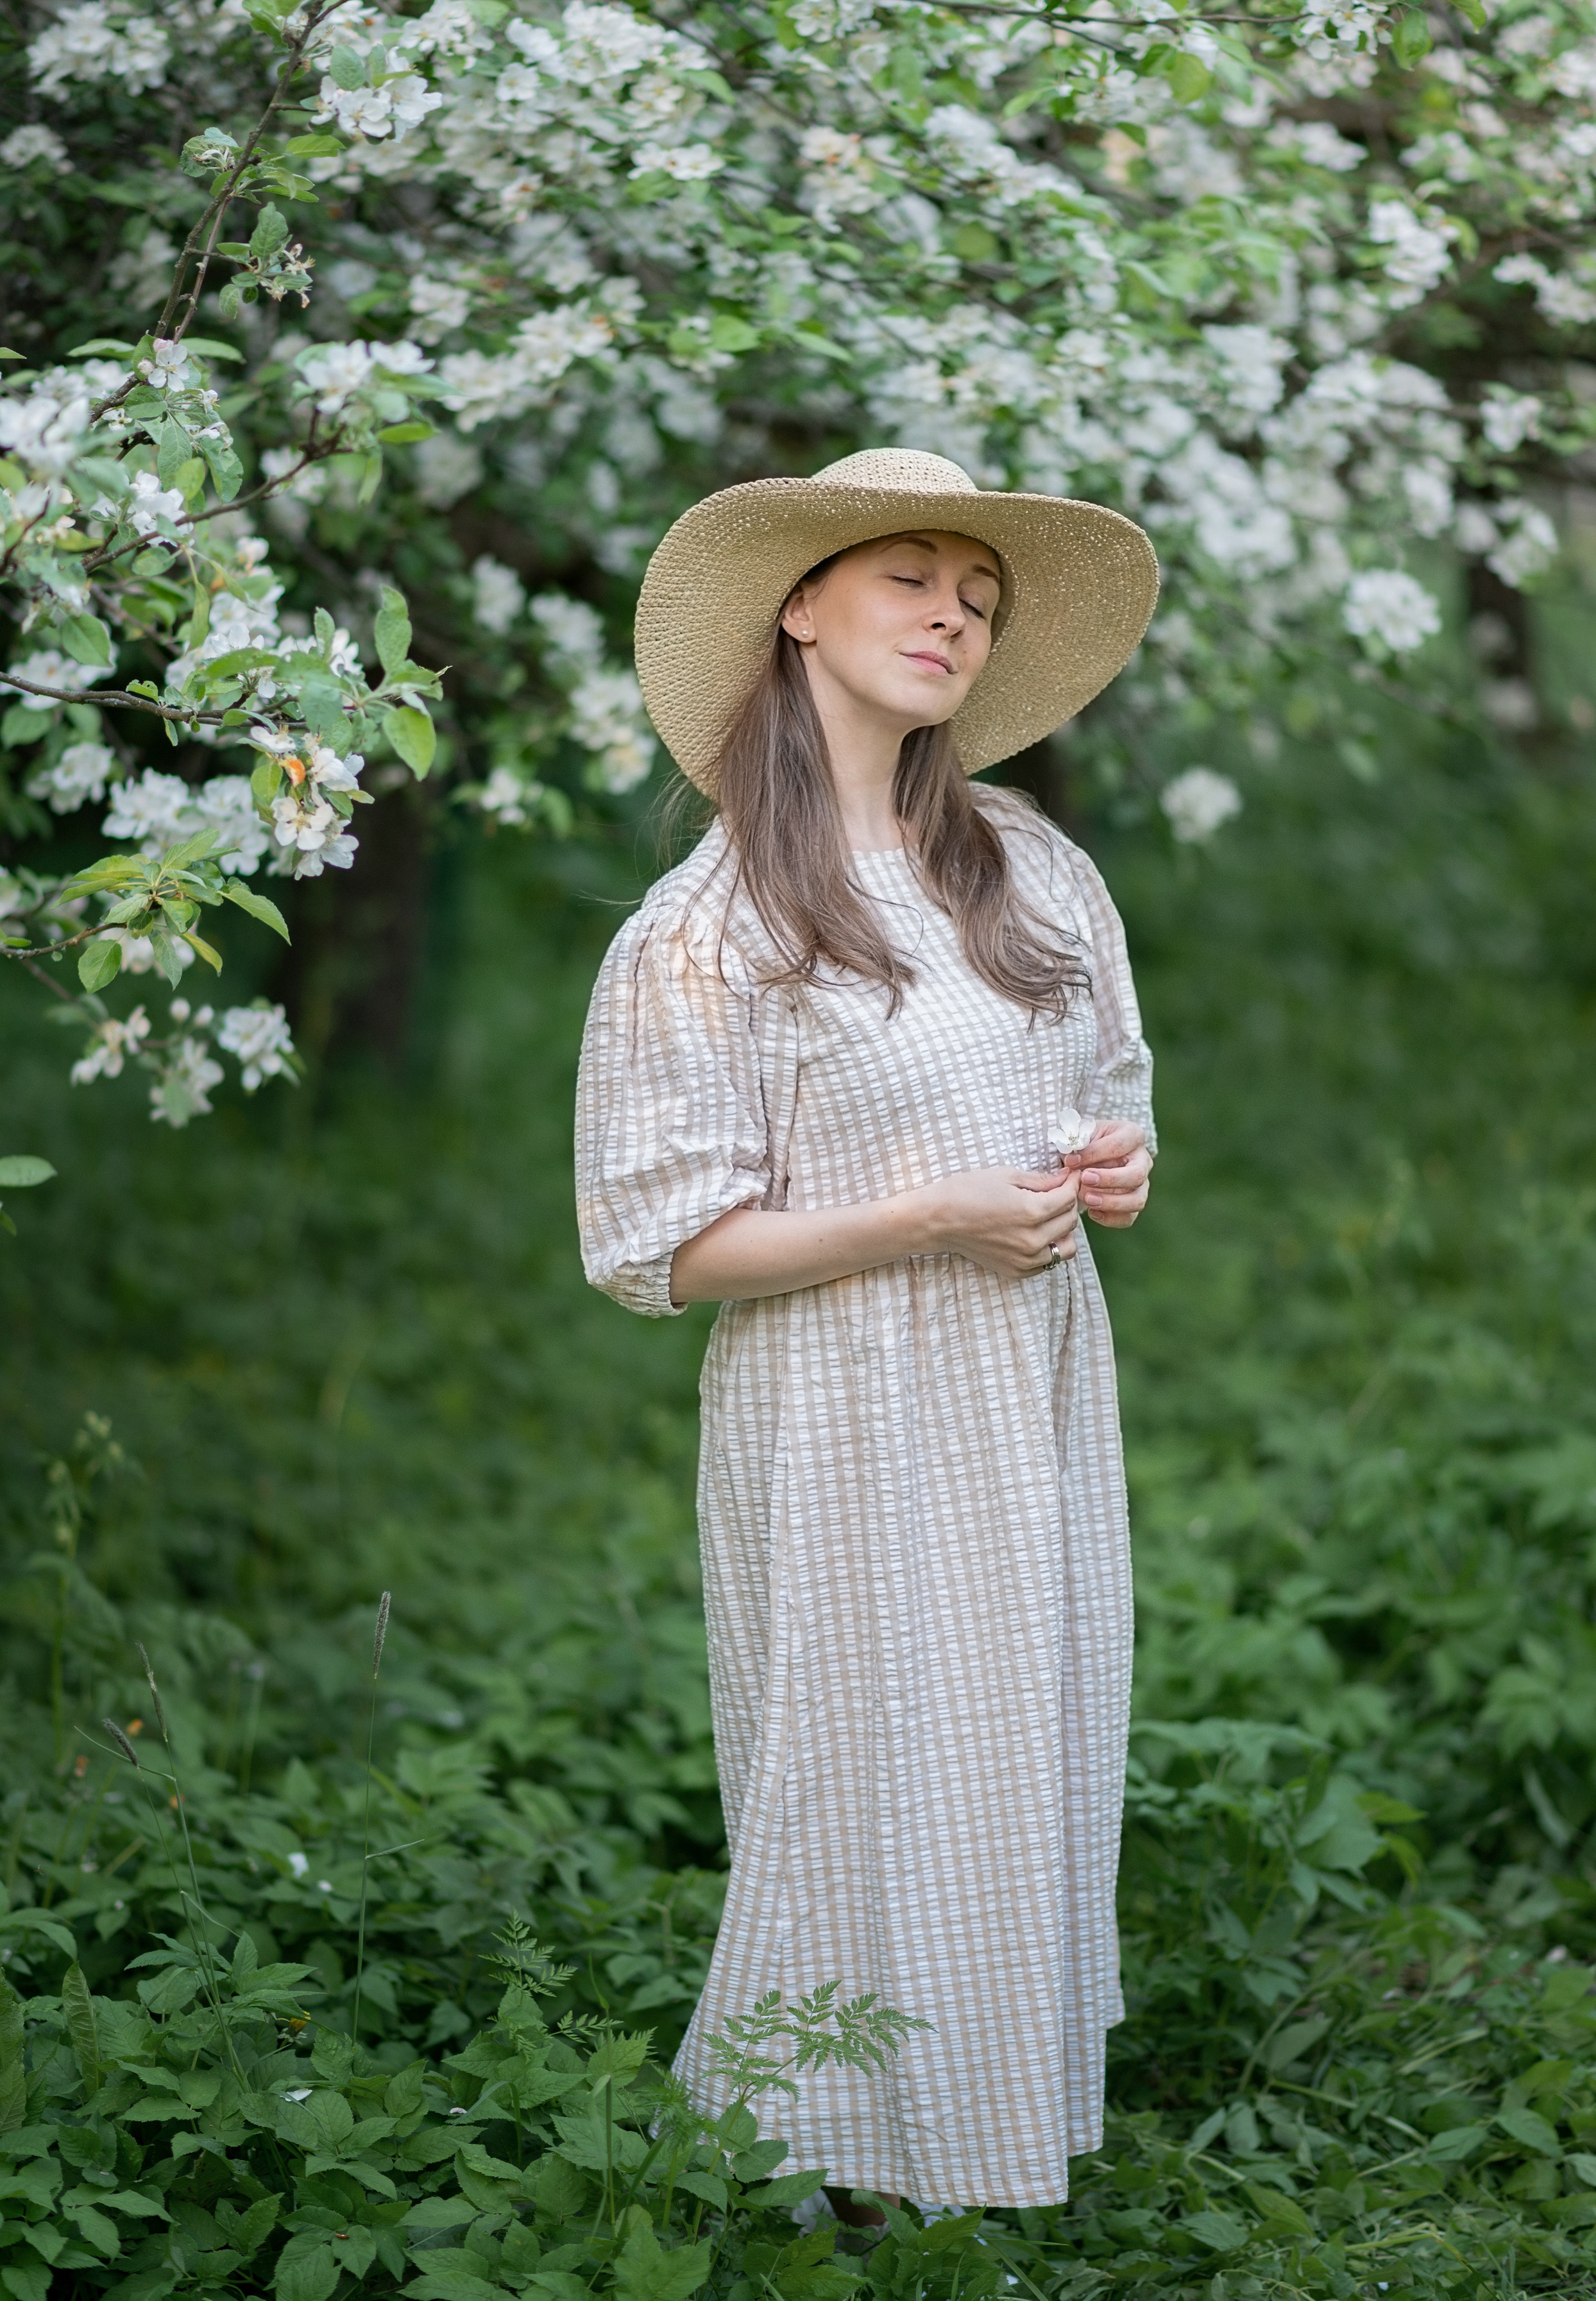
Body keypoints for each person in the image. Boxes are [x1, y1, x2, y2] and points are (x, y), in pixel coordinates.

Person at [575, 449, 1159, 2216]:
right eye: (909, 577)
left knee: (1013, 1738)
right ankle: (800, 2153)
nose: (949, 618)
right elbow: (654, 1245)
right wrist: (931, 1215)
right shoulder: (710, 924)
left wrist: (1111, 1165)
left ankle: (966, 2137)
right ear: (801, 606)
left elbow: (1106, 1088)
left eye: (975, 600)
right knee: (856, 1757)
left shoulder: (1030, 870)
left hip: (1027, 1378)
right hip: (840, 1401)